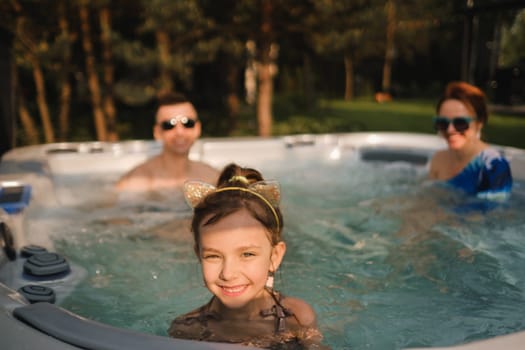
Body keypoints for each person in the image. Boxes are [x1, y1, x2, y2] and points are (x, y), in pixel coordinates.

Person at [168, 163, 327, 349]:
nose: (228, 274)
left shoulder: (297, 318)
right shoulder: (188, 329)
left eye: (247, 254)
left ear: (274, 256)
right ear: (199, 255)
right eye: (213, 256)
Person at [115, 92, 219, 195]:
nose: (179, 132)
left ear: (197, 129)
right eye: (168, 125)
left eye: (188, 123)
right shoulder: (135, 183)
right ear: (157, 132)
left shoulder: (213, 177)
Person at [428, 81, 512, 200]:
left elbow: (494, 214)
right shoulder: (438, 159)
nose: (450, 130)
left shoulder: (494, 165)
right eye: (443, 123)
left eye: (460, 123)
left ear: (479, 123)